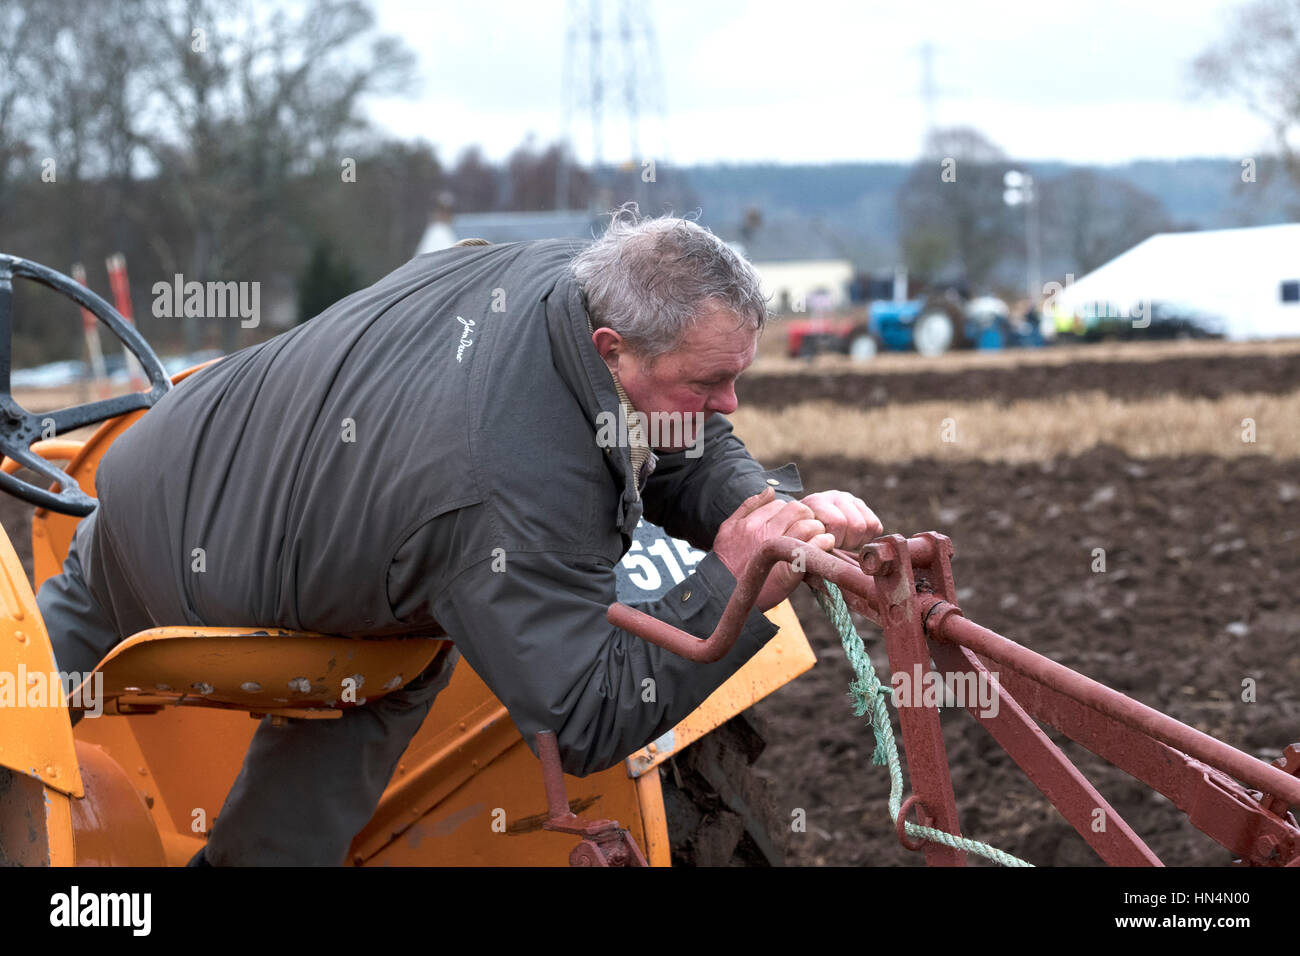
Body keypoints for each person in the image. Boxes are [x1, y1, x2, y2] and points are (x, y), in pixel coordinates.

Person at [35, 207, 882, 865]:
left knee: (37, 665)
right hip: (185, 542)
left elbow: (678, 429)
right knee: (398, 657)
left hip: (165, 452)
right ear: (612, 350)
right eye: (712, 381)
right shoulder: (504, 489)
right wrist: (726, 587)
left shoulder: (570, 280)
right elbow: (583, 718)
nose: (730, 404)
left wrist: (751, 505)